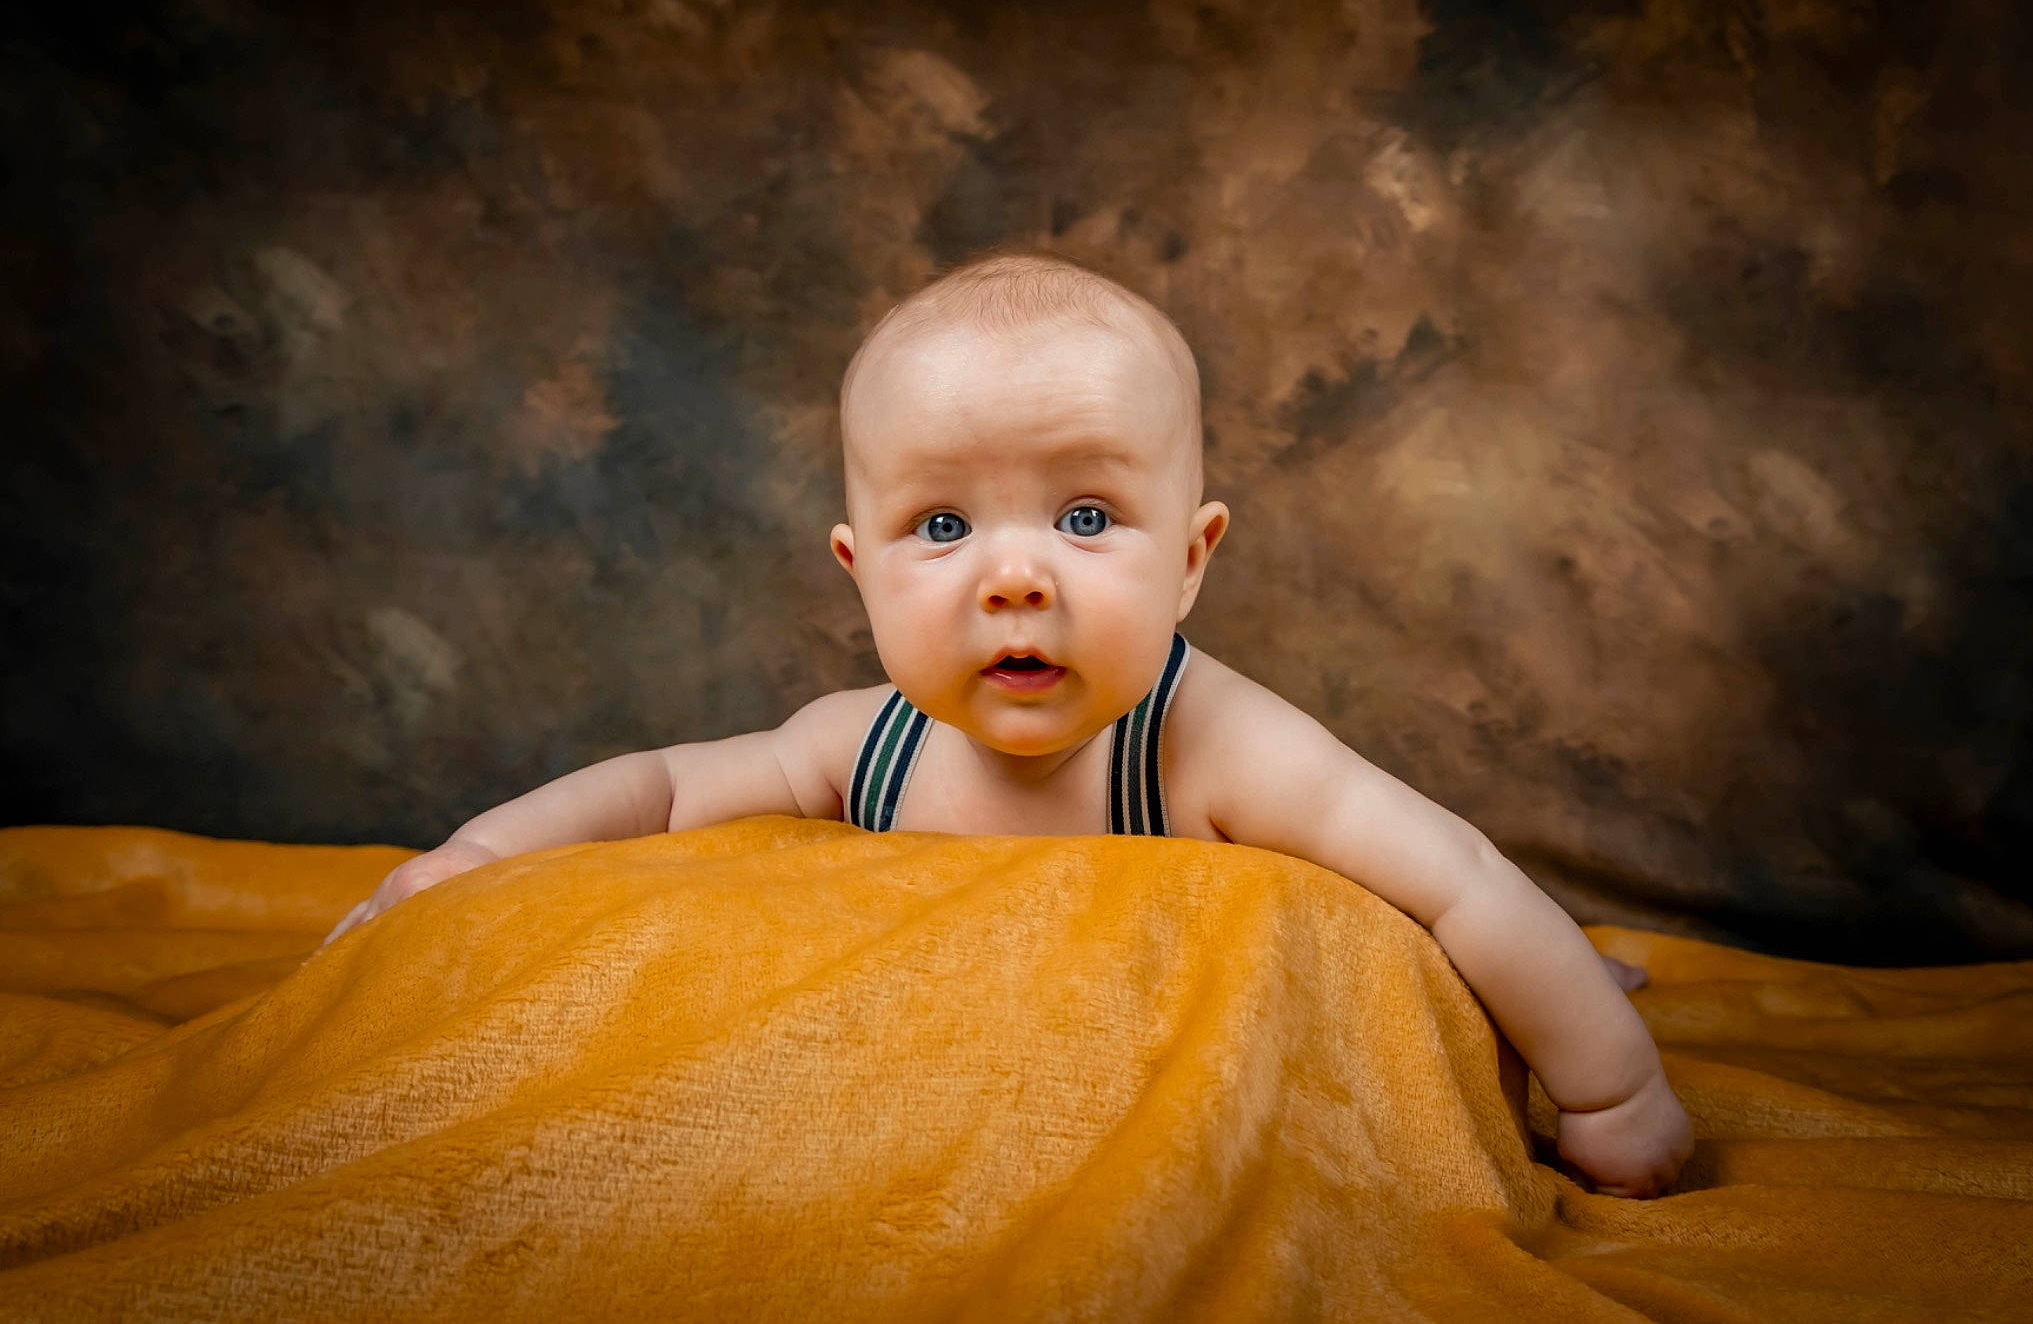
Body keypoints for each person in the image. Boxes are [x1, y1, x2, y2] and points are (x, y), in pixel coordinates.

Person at [325, 250, 1694, 1198]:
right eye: (942, 524)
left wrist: (1609, 1091)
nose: (1018, 572)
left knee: (1475, 953)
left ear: (1194, 559)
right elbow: (662, 790)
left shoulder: (1209, 747)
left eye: (1087, 516)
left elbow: (1456, 879)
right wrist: (468, 858)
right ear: (858, 570)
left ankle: (1590, 984)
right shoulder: (865, 745)